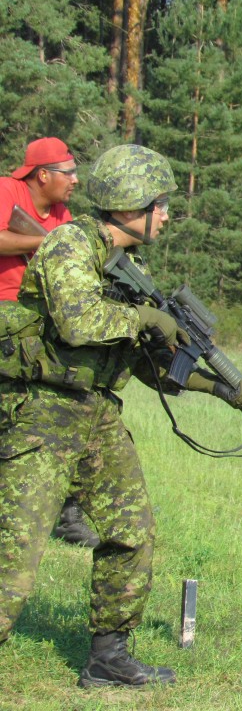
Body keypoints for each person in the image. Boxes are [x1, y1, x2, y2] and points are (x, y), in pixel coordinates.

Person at [0, 144, 242, 688]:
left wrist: (222, 388)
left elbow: (151, 367)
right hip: (42, 414)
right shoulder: (69, 245)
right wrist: (144, 316)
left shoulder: (127, 268)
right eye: (160, 204)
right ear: (131, 204)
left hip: (96, 416)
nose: (166, 214)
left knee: (132, 532)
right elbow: (77, 323)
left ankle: (108, 657)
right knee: (14, 559)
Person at [0, 137, 100, 548]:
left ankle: (66, 512)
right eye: (69, 173)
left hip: (42, 326)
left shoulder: (62, 213)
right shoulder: (7, 190)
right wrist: (45, 241)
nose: (75, 180)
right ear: (43, 175)